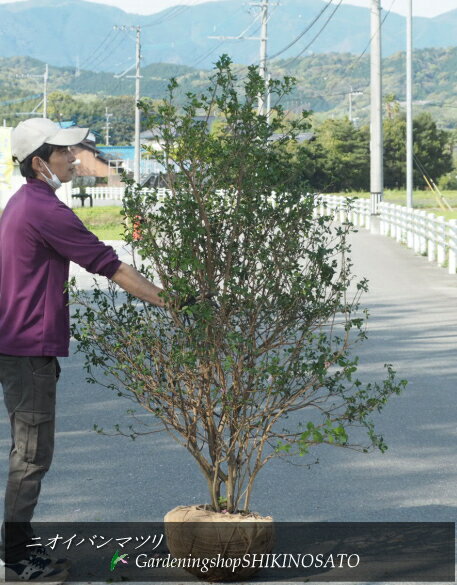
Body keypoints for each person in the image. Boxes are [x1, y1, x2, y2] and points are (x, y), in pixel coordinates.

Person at [0, 118, 165, 582]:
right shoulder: (42, 208)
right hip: (27, 346)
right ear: (39, 162)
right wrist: (169, 300)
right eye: (64, 153)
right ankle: (16, 555)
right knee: (31, 456)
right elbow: (108, 264)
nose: (74, 159)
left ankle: (17, 540)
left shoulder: (23, 203)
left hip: (17, 341)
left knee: (28, 451)